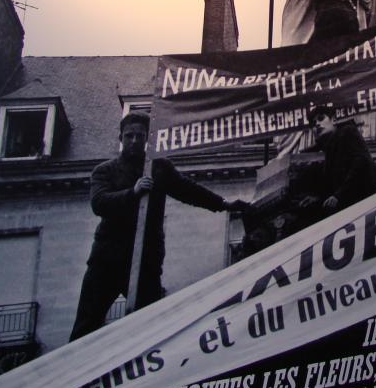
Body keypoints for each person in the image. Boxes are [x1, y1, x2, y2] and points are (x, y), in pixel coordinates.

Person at [70, 112, 248, 340]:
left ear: (147, 139)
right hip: (107, 260)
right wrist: (132, 193)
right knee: (85, 327)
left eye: (140, 136)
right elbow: (99, 203)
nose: (134, 141)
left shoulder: (159, 168)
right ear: (121, 138)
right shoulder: (105, 170)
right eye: (129, 136)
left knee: (150, 329)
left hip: (146, 260)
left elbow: (188, 191)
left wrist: (223, 204)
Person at [294, 105, 376, 217]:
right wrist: (319, 197)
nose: (316, 124)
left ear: (334, 120)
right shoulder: (327, 148)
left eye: (321, 118)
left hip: (366, 202)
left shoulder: (347, 132)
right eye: (313, 123)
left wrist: (338, 195)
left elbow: (360, 162)